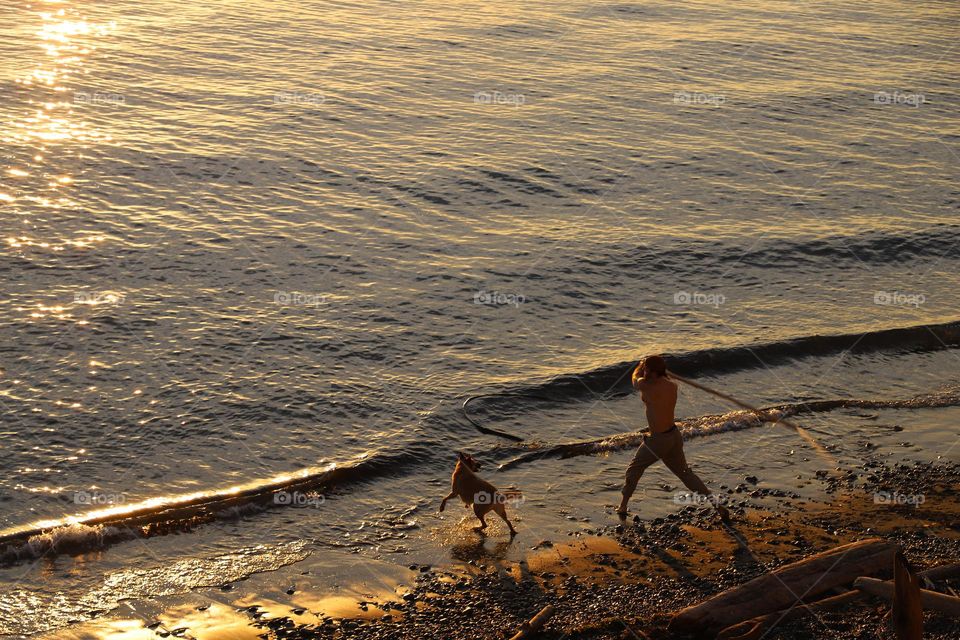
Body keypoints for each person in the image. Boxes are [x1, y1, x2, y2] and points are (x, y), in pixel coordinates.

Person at [617, 355, 729, 521]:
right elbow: (654, 379)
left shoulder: (647, 386)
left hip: (658, 441)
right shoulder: (672, 385)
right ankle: (717, 506)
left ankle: (623, 506)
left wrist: (639, 366)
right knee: (686, 474)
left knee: (634, 469)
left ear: (653, 373)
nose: (645, 372)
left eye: (647, 370)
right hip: (674, 436)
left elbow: (634, 379)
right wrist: (649, 367)